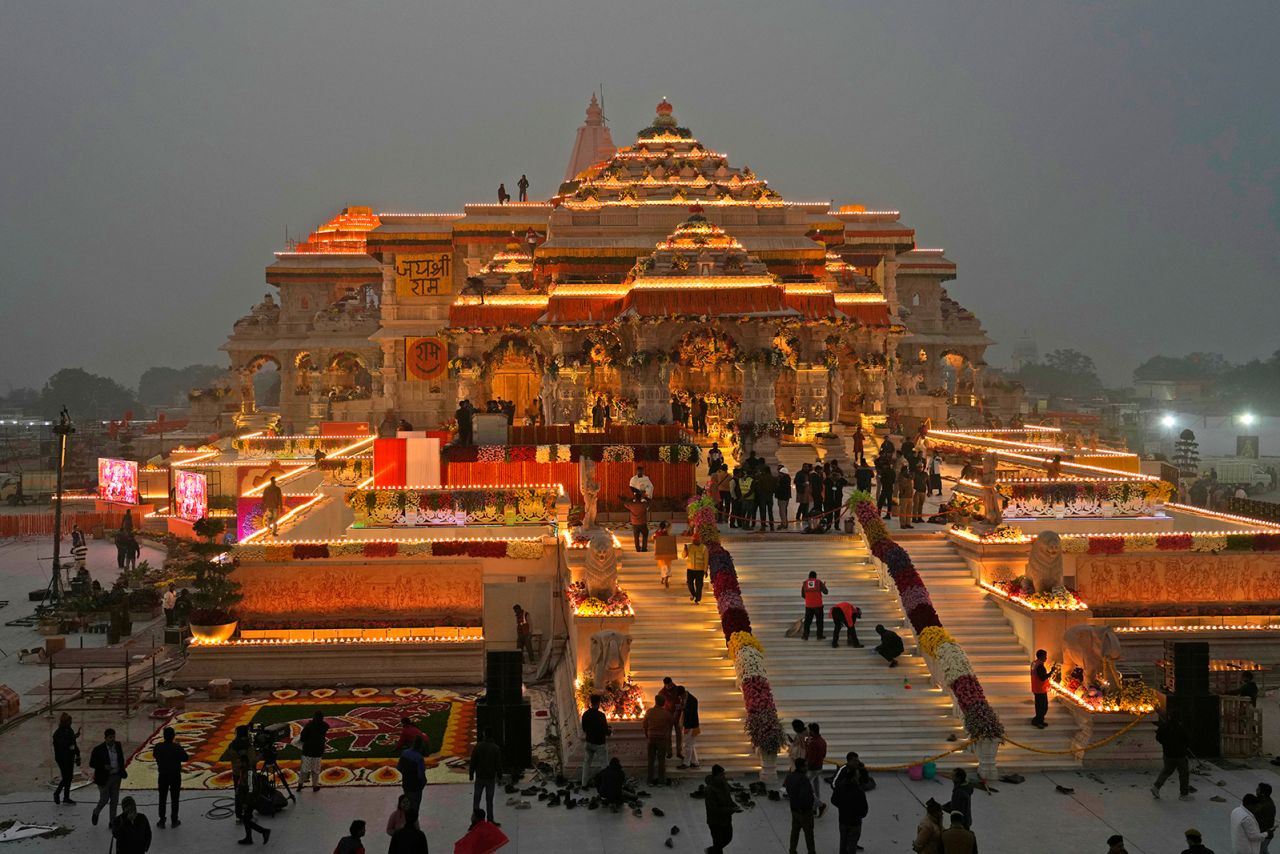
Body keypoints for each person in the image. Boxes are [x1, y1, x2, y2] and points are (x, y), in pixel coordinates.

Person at [830, 752, 868, 854]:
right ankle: (850, 845)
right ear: (849, 760)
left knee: (851, 835)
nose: (857, 762)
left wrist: (863, 769)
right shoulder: (843, 770)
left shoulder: (858, 769)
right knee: (845, 837)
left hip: (852, 809)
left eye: (858, 760)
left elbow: (866, 780)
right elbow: (833, 783)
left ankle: (853, 844)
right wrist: (842, 797)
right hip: (846, 808)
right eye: (855, 760)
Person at [90, 727, 128, 826]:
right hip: (104, 778)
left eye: (114, 737)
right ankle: (96, 812)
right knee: (104, 799)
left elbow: (121, 759)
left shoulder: (118, 745)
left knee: (114, 800)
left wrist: (121, 770)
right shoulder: (98, 749)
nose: (113, 739)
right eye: (110, 737)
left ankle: (113, 821)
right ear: (105, 738)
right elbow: (92, 763)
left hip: (116, 776)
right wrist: (103, 767)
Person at [152, 726, 188, 828]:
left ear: (163, 736)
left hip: (163, 775)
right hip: (175, 776)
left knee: (162, 798)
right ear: (173, 736)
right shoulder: (177, 747)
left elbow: (155, 755)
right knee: (175, 798)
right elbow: (185, 758)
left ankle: (162, 820)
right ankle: (174, 820)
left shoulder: (158, 747)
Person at [1151, 713, 1192, 801]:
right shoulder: (1181, 727)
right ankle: (1184, 794)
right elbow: (1188, 739)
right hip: (1180, 754)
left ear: (1169, 717)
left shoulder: (1164, 726)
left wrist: (1165, 744)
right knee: (1183, 774)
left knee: (1166, 771)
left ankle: (1156, 787)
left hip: (1168, 754)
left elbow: (1158, 737)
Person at [469, 730, 504, 825]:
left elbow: (473, 761)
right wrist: (500, 775)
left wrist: (471, 773)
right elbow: (498, 764)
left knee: (477, 799)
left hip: (480, 777)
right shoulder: (495, 748)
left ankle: (475, 820)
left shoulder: (478, 746)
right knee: (489, 800)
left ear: (484, 735)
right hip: (490, 778)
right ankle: (490, 819)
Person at [783, 758, 818, 854]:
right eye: (805, 766)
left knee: (795, 832)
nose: (807, 767)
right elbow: (806, 796)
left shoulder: (790, 776)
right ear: (802, 767)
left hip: (794, 808)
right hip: (805, 811)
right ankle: (811, 851)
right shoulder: (804, 779)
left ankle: (792, 850)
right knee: (809, 834)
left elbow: (788, 790)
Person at [643, 694, 674, 785]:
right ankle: (661, 781)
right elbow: (670, 729)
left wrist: (648, 735)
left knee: (651, 760)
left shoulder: (649, 712)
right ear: (664, 703)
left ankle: (650, 780)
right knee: (661, 761)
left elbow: (645, 725)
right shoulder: (667, 714)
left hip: (651, 738)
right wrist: (669, 748)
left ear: (655, 702)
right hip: (662, 739)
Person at [704, 764, 736, 854]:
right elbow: (714, 810)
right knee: (718, 844)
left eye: (724, 774)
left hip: (726, 819)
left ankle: (711, 851)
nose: (724, 776)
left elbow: (728, 798)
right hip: (715, 822)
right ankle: (712, 851)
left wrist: (734, 806)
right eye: (722, 775)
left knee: (728, 838)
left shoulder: (724, 784)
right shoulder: (709, 790)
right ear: (716, 776)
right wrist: (731, 810)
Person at [580, 694, 611, 785]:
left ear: (591, 703)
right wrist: (610, 731)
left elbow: (584, 729)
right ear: (598, 703)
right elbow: (605, 730)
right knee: (604, 765)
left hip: (589, 742)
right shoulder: (601, 716)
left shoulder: (585, 715)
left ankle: (584, 784)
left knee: (586, 763)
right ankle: (606, 784)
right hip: (600, 743)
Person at [52, 712, 80, 805]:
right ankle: (57, 793)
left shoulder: (69, 730)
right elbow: (64, 745)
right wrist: (73, 738)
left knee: (69, 777)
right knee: (66, 778)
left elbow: (73, 744)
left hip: (69, 757)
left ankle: (66, 797)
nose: (71, 723)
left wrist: (77, 754)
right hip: (62, 758)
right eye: (69, 722)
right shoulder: (58, 734)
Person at [299, 710, 330, 793]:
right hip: (318, 751)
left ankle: (300, 785)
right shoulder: (324, 726)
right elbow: (326, 726)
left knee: (304, 769)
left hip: (307, 751)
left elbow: (302, 737)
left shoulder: (309, 726)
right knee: (316, 769)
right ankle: (315, 786)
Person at [659, 677, 686, 759]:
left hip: (677, 715)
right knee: (668, 735)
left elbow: (683, 700)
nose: (669, 687)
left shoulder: (678, 690)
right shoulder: (662, 692)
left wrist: (679, 709)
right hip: (667, 716)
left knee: (679, 735)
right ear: (665, 685)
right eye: (667, 685)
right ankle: (669, 752)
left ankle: (679, 752)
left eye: (670, 685)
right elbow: (660, 704)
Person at [804, 723, 827, 816]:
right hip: (819, 766)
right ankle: (814, 808)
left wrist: (806, 766)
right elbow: (824, 755)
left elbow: (811, 758)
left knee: (806, 786)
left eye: (809, 730)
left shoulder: (813, 743)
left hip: (812, 768)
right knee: (816, 786)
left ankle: (820, 804)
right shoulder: (822, 741)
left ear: (812, 731)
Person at [801, 571, 829, 640]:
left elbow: (803, 595)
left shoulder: (805, 583)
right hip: (818, 605)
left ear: (809, 576)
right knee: (819, 621)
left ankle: (805, 636)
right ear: (815, 576)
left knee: (807, 621)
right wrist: (824, 586)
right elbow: (826, 592)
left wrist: (809, 598)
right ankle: (819, 636)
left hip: (809, 606)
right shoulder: (818, 582)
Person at [679, 686, 701, 769]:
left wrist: (687, 727)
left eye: (680, 696)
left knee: (687, 745)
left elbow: (691, 715)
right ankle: (695, 762)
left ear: (683, 693)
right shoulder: (686, 699)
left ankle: (686, 763)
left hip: (691, 725)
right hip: (691, 725)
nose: (680, 698)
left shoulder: (692, 700)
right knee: (691, 745)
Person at [684, 532, 708, 604]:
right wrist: (685, 550)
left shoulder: (704, 548)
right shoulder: (689, 547)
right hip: (690, 569)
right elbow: (683, 556)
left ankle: (697, 599)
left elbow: (706, 560)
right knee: (689, 584)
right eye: (694, 540)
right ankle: (693, 594)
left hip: (700, 570)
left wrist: (705, 570)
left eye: (697, 540)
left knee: (699, 585)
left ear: (700, 540)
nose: (695, 541)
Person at [1030, 649, 1051, 729]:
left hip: (1036, 688)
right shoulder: (1040, 666)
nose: (1046, 658)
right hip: (1040, 689)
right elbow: (1042, 677)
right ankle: (1037, 721)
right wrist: (1050, 673)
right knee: (1043, 707)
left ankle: (1039, 720)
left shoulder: (1034, 663)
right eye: (1045, 656)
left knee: (1038, 706)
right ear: (1041, 656)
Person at [653, 520, 676, 586]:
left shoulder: (657, 532)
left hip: (660, 552)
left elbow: (653, 539)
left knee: (662, 566)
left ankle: (663, 578)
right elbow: (670, 526)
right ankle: (666, 578)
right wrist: (668, 522)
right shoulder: (666, 532)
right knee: (668, 566)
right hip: (668, 551)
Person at [754, 463, 776, 531]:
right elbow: (775, 487)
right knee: (770, 512)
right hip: (770, 496)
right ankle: (772, 526)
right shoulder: (773, 478)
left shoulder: (761, 478)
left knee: (763, 512)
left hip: (762, 497)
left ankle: (763, 526)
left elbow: (758, 488)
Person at [1257, 783, 1276, 854]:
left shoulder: (1268, 806)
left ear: (1263, 793)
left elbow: (1266, 822)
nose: (1256, 790)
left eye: (1258, 789)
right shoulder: (1261, 801)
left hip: (1264, 835)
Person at [897, 464, 916, 529]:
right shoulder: (901, 477)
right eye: (906, 470)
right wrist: (909, 479)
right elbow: (903, 485)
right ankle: (902, 524)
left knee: (909, 511)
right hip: (904, 496)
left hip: (910, 496)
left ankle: (908, 523)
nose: (907, 471)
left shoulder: (908, 477)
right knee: (903, 511)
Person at [775, 464, 792, 528]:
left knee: (782, 511)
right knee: (784, 510)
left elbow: (780, 488)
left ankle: (784, 524)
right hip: (786, 497)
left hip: (782, 497)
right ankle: (784, 522)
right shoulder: (787, 478)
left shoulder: (783, 479)